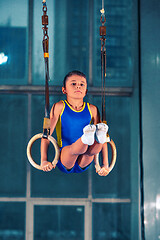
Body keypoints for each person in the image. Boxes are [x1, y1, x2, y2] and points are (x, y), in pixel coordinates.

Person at [41, 70, 110, 176]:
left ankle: (88, 138)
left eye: (82, 84)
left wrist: (105, 164)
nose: (78, 87)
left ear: (86, 91)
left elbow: (104, 140)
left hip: (85, 158)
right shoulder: (58, 107)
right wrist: (44, 160)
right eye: (73, 84)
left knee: (95, 146)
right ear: (64, 90)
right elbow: (46, 135)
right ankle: (85, 138)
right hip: (65, 157)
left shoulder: (93, 110)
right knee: (74, 149)